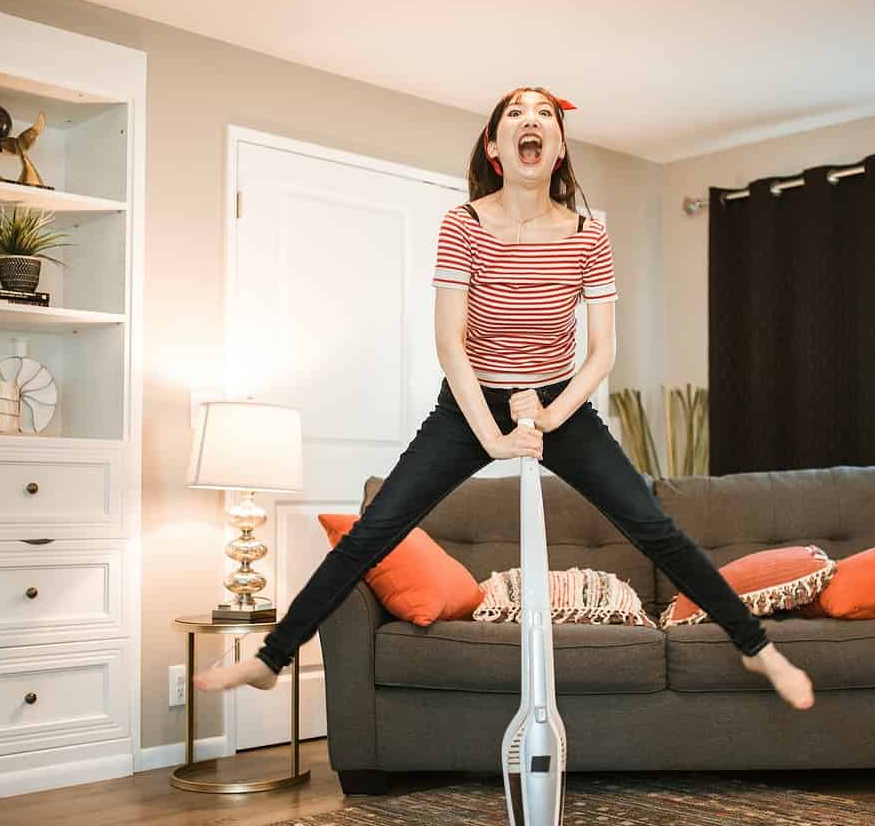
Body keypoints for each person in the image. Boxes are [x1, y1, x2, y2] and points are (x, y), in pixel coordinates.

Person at [195, 86, 814, 711]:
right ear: (496, 148)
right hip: (471, 401)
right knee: (375, 528)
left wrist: (548, 415)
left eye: (545, 114)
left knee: (655, 527)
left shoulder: (586, 235)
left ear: (558, 148)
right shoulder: (462, 225)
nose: (532, 120)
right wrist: (492, 436)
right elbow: (449, 343)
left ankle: (756, 645)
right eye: (516, 113)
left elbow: (601, 354)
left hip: (560, 401)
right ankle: (272, 660)